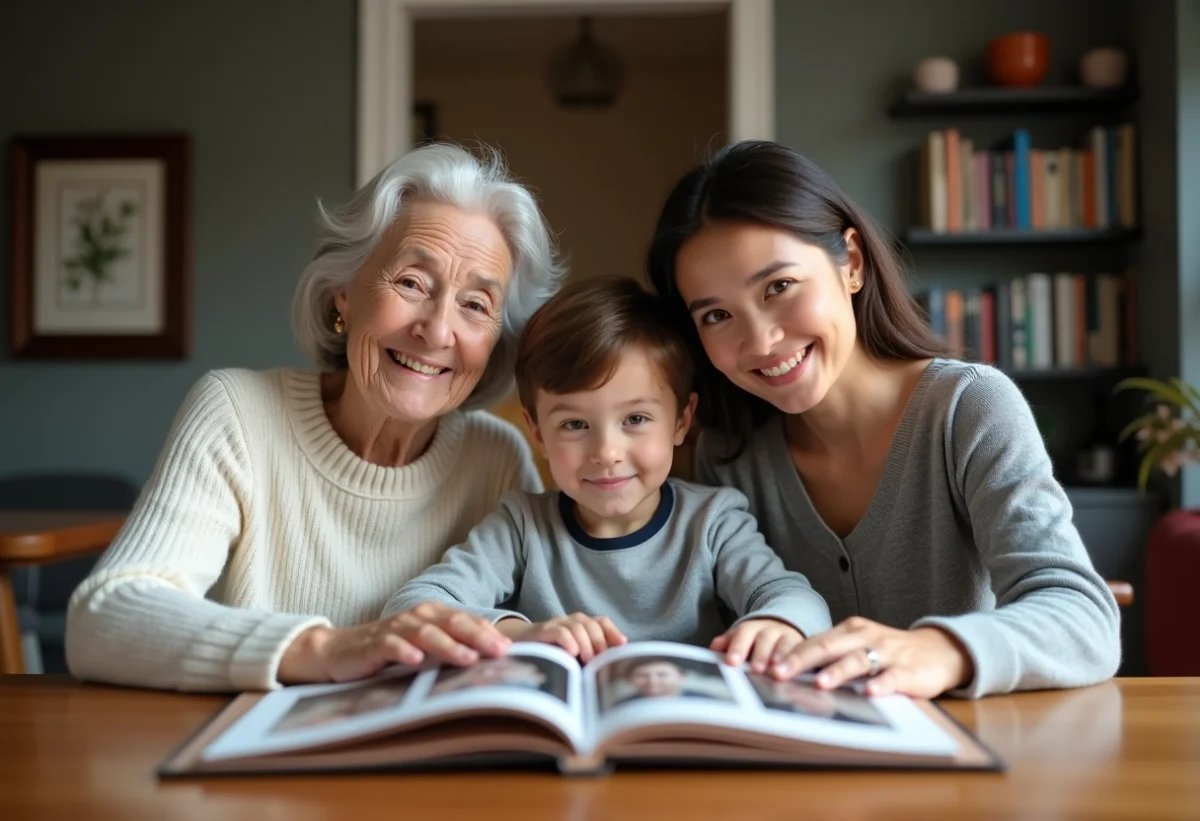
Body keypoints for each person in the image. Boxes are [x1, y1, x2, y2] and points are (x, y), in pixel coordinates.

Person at [65, 143, 565, 692]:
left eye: (475, 305)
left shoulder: (495, 459)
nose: (438, 330)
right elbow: (102, 620)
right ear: (343, 295)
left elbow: (530, 641)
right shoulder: (238, 414)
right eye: (411, 283)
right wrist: (326, 648)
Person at [646, 140, 1121, 699]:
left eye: (779, 287)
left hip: (972, 762)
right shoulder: (729, 453)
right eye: (717, 314)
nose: (761, 340)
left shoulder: (968, 409)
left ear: (851, 262)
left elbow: (1084, 617)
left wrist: (941, 650)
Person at [383, 276, 832, 669]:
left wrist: (777, 622)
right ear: (537, 431)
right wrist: (518, 635)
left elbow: (797, 599)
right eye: (575, 425)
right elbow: (412, 606)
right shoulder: (521, 527)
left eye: (635, 420)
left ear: (680, 420)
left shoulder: (714, 521)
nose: (606, 452)